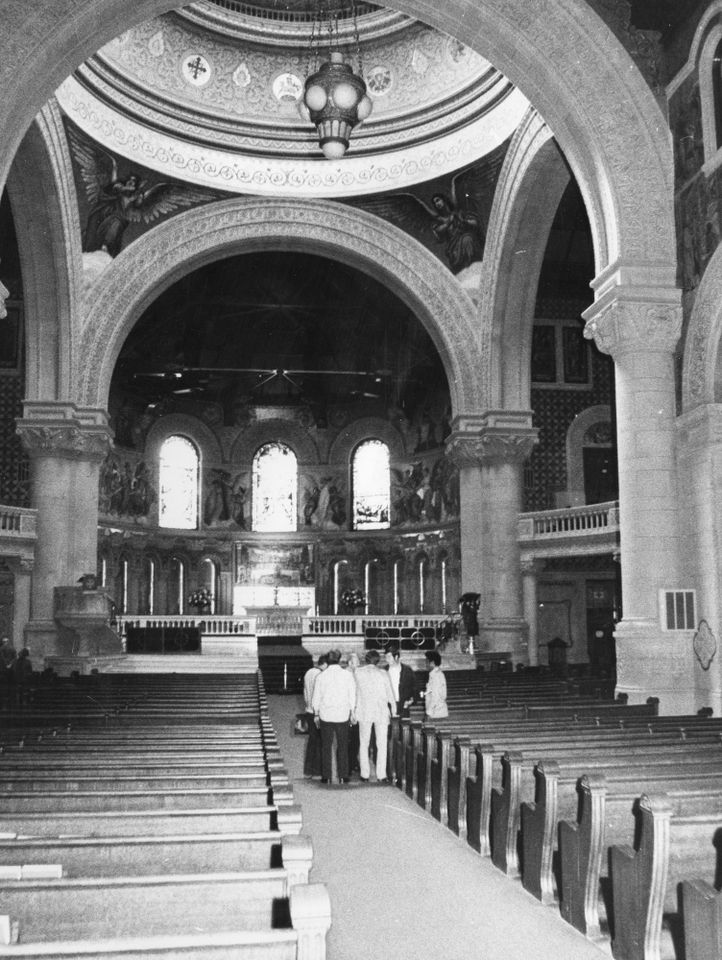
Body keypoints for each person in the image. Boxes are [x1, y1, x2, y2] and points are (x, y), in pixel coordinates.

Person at [311, 648, 357, 784]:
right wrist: (353, 712)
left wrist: (316, 714)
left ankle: (327, 776)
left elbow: (316, 697)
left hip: (326, 715)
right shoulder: (347, 675)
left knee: (326, 746)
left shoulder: (321, 676)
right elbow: (352, 695)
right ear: (339, 659)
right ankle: (343, 776)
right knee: (343, 746)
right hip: (342, 715)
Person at [355, 650, 396, 783]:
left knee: (364, 743)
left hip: (364, 711)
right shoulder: (383, 674)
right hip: (381, 711)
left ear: (366, 660)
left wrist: (353, 710)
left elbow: (355, 693)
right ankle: (381, 774)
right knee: (381, 744)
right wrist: (394, 711)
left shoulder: (358, 672)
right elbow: (391, 695)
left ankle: (365, 774)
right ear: (378, 661)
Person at [302, 654, 328, 778]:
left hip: (309, 710)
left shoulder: (308, 673)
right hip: (318, 711)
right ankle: (318, 770)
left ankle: (309, 770)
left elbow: (305, 692)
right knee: (320, 740)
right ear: (325, 664)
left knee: (312, 740)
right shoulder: (321, 675)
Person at [385, 645, 416, 718]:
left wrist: (410, 700)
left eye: (389, 657)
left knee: (405, 727)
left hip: (403, 705)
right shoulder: (384, 670)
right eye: (386, 657)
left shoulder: (407, 670)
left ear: (396, 657)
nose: (387, 660)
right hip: (388, 705)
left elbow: (414, 687)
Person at [423, 650, 448, 719]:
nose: (426, 664)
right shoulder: (435, 674)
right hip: (436, 712)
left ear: (432, 663)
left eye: (427, 662)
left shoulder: (436, 676)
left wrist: (428, 713)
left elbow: (435, 697)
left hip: (437, 713)